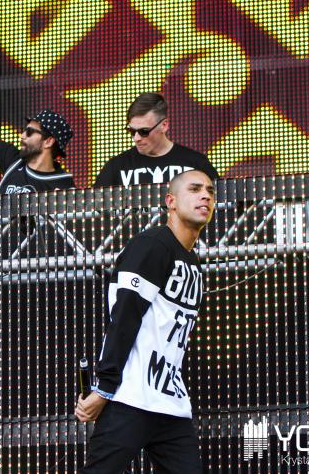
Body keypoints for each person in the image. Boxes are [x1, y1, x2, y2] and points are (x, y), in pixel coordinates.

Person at [75, 170, 214, 474]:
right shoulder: (152, 244)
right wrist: (105, 388)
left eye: (209, 191)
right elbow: (124, 317)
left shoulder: (192, 261)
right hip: (130, 397)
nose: (205, 195)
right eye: (194, 189)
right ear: (171, 202)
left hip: (170, 402)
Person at [0, 51, 75, 194]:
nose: (22, 135)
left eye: (29, 132)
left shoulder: (64, 186)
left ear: (48, 141)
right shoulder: (13, 160)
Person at [94, 93, 218, 187]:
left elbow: (221, 205)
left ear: (164, 126)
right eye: (132, 131)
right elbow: (93, 208)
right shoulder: (117, 167)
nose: (136, 138)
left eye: (144, 131)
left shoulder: (196, 163)